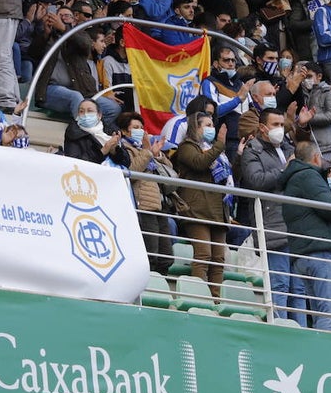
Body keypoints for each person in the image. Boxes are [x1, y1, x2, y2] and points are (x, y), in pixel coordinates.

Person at [280, 140, 331, 331]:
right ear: (316, 157)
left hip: (306, 251)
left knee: (320, 311)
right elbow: (330, 209)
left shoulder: (297, 178)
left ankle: (318, 352)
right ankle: (322, 355)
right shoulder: (308, 176)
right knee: (329, 310)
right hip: (319, 251)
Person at [238, 107, 295, 318]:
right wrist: (284, 170)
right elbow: (256, 181)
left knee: (298, 288)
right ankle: (280, 329)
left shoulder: (289, 148)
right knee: (279, 284)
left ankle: (298, 332)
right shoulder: (253, 150)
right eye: (275, 125)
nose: (280, 129)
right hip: (273, 225)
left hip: (296, 224)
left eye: (282, 125)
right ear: (262, 127)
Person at [172, 111, 231, 299]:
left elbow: (227, 177)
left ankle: (215, 300)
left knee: (218, 259)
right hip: (197, 208)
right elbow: (199, 163)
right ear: (195, 127)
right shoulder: (186, 147)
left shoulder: (215, 151)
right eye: (206, 125)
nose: (211, 129)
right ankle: (198, 298)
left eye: (212, 125)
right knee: (204, 255)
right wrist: (220, 144)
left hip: (217, 209)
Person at [108, 111, 174, 275]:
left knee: (165, 257)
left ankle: (161, 290)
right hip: (142, 205)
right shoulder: (125, 148)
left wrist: (157, 154)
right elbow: (133, 169)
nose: (140, 130)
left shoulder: (145, 149)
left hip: (159, 204)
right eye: (135, 127)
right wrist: (147, 151)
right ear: (124, 131)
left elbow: (170, 171)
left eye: (141, 127)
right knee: (150, 254)